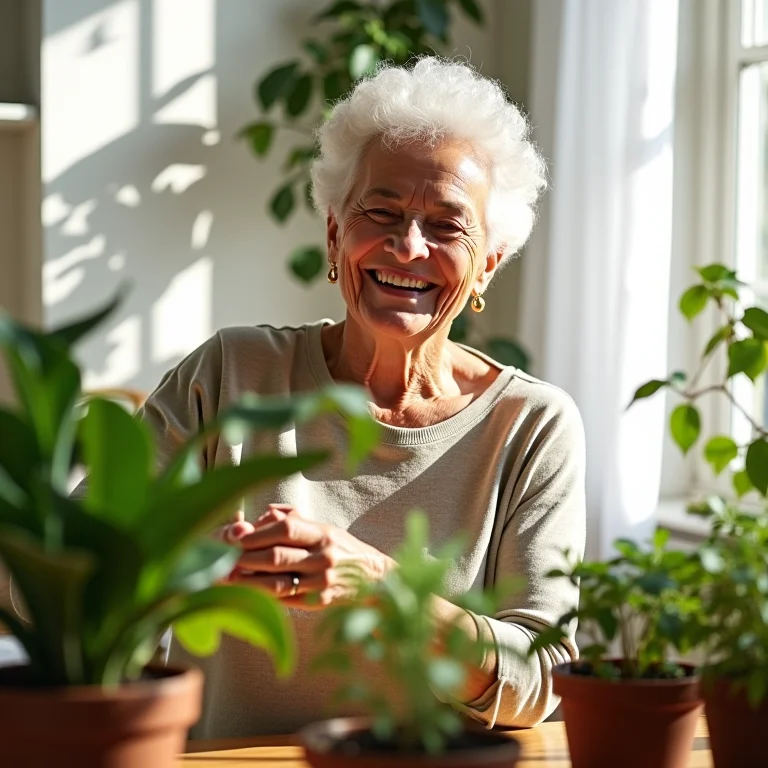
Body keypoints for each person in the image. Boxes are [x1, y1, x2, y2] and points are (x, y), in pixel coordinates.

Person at [144, 57, 586, 739]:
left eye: (447, 226)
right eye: (380, 212)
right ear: (333, 234)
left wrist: (380, 586)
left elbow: (542, 681)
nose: (407, 246)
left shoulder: (530, 425)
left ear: (486, 265)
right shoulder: (231, 375)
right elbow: (67, 573)